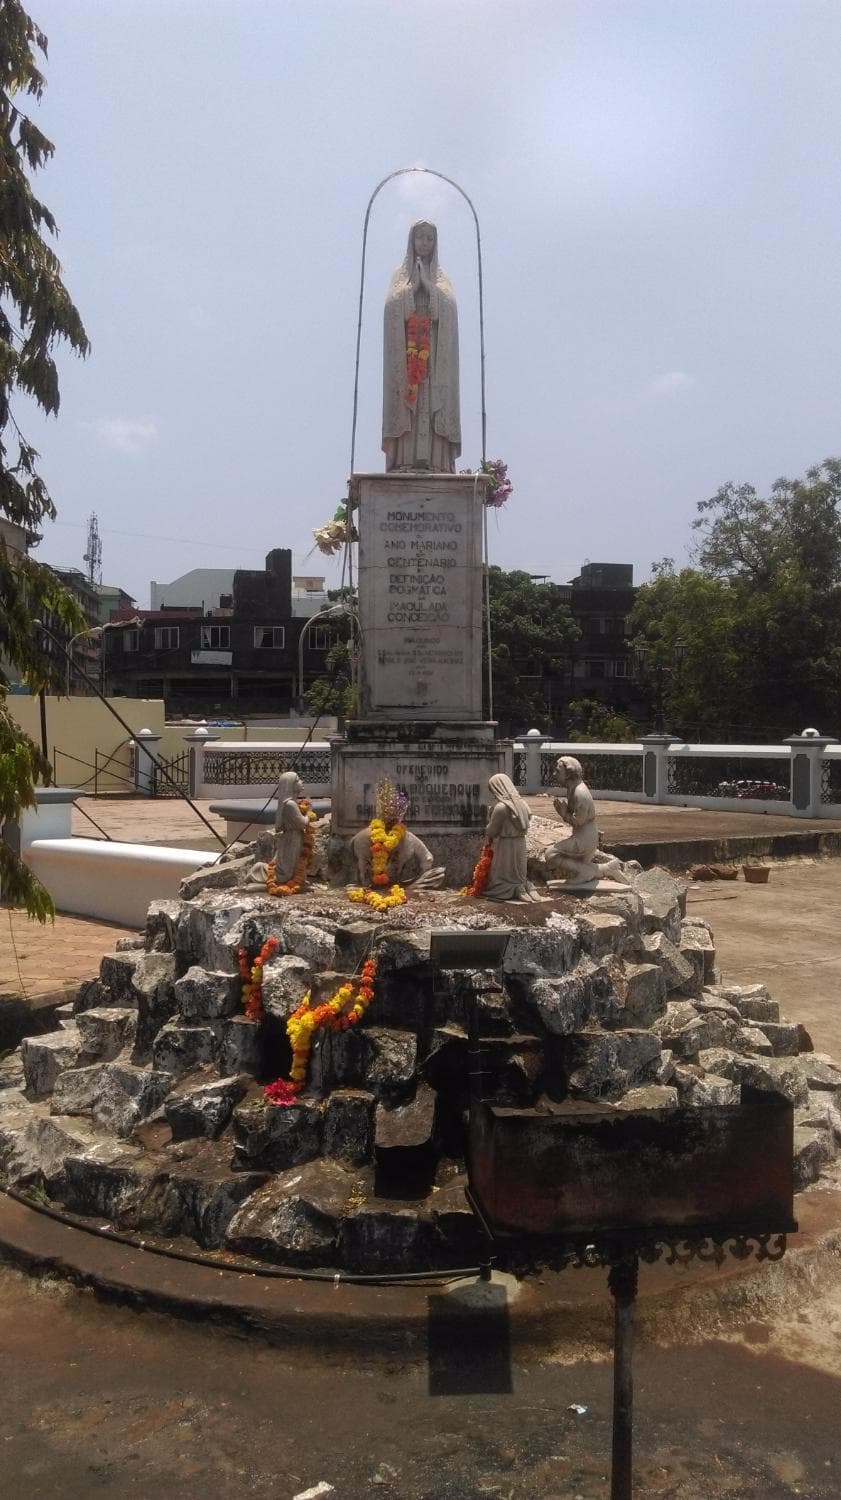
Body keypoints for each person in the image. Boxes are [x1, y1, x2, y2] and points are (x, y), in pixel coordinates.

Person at [382, 221, 461, 472]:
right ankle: (404, 460)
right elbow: (391, 309)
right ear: (411, 240)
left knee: (431, 401)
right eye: (420, 238)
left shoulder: (441, 277)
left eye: (429, 238)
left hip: (434, 352)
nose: (424, 243)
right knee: (409, 399)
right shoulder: (400, 275)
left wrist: (428, 285)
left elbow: (449, 309)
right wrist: (412, 289)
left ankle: (437, 461)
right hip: (408, 353)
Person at [481, 773, 543, 902]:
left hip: (505, 845)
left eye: (493, 790)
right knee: (518, 871)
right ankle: (522, 886)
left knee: (504, 874)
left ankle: (508, 889)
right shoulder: (523, 804)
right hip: (520, 843)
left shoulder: (501, 807)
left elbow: (491, 831)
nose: (493, 794)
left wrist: (489, 816)